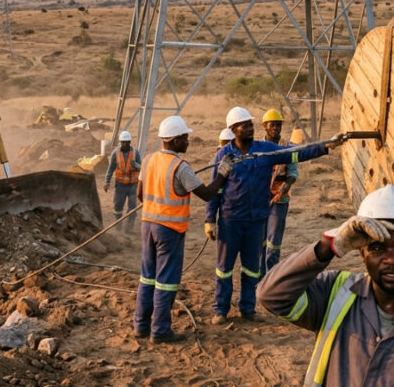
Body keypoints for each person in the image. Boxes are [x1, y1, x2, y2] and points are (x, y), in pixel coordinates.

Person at [204, 106, 341, 325]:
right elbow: (215, 189)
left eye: (250, 124)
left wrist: (325, 146)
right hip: (231, 221)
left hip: (257, 219)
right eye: (244, 125)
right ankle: (220, 309)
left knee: (251, 268)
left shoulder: (265, 150)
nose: (250, 128)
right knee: (224, 268)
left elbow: (296, 152)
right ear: (233, 129)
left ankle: (247, 308)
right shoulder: (223, 156)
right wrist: (210, 219)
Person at [258, 184, 394, 386]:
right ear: (362, 254)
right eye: (377, 247)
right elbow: (271, 295)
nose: (390, 259)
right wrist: (328, 246)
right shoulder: (336, 292)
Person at [133, 115, 233, 344]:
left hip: (147, 225)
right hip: (169, 230)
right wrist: (223, 173)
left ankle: (140, 326)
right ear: (175, 140)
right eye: (185, 138)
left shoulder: (148, 159)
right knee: (165, 281)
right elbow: (207, 194)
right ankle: (160, 331)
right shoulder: (180, 167)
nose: (188, 142)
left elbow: (140, 194)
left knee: (147, 277)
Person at [259, 109, 299, 277]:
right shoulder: (257, 148)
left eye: (278, 124)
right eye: (272, 125)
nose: (276, 128)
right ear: (264, 127)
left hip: (279, 200)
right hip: (260, 200)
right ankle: (259, 277)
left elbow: (293, 172)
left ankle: (271, 277)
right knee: (259, 242)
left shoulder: (290, 148)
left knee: (273, 243)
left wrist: (286, 186)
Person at [104, 131, 142, 232]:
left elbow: (142, 168)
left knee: (132, 208)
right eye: (123, 142)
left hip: (132, 185)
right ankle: (118, 229)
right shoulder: (115, 153)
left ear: (130, 142)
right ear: (120, 142)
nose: (125, 144)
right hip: (120, 185)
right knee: (117, 207)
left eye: (127, 142)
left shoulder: (135, 153)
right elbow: (111, 168)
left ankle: (128, 229)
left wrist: (137, 166)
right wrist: (106, 181)